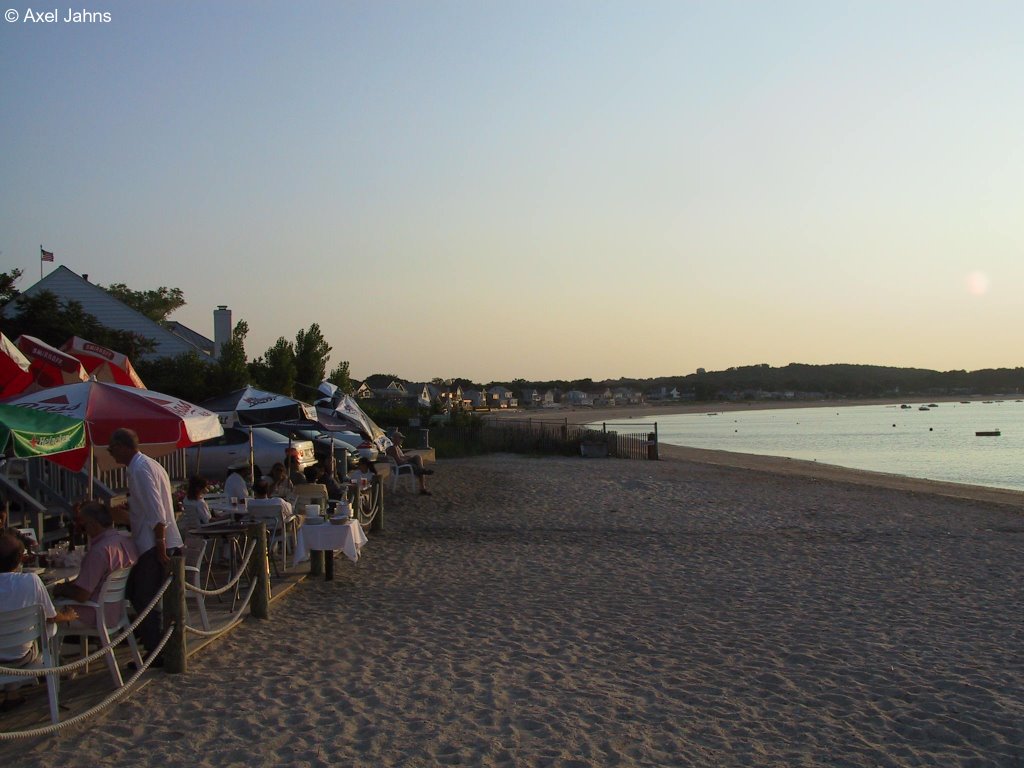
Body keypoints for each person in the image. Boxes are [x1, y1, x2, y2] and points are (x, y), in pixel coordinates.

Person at [107, 427, 183, 663]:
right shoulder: (147, 465)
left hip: (153, 544)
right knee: (137, 593)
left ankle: (157, 650)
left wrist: (159, 542)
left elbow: (156, 511)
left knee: (145, 597)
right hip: (153, 541)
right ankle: (153, 641)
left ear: (122, 446)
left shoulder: (140, 469)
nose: (110, 452)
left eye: (112, 447)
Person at [0, 533, 77, 711]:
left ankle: (12, 694)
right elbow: (51, 617)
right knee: (47, 628)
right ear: (20, 558)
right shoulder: (31, 581)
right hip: (21, 659)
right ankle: (57, 675)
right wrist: (68, 616)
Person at [52, 501, 137, 629]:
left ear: (93, 524)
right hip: (115, 610)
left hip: (94, 613)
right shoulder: (125, 542)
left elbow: (82, 595)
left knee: (47, 614)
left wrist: (60, 589)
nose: (83, 531)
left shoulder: (99, 551)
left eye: (83, 526)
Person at [385, 430, 434, 496]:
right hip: (400, 469)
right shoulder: (393, 449)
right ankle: (422, 487)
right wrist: (407, 460)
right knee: (417, 464)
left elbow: (401, 457)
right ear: (395, 439)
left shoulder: (396, 448)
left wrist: (407, 457)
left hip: (401, 466)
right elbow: (399, 461)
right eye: (400, 438)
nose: (401, 440)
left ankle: (421, 470)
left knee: (417, 459)